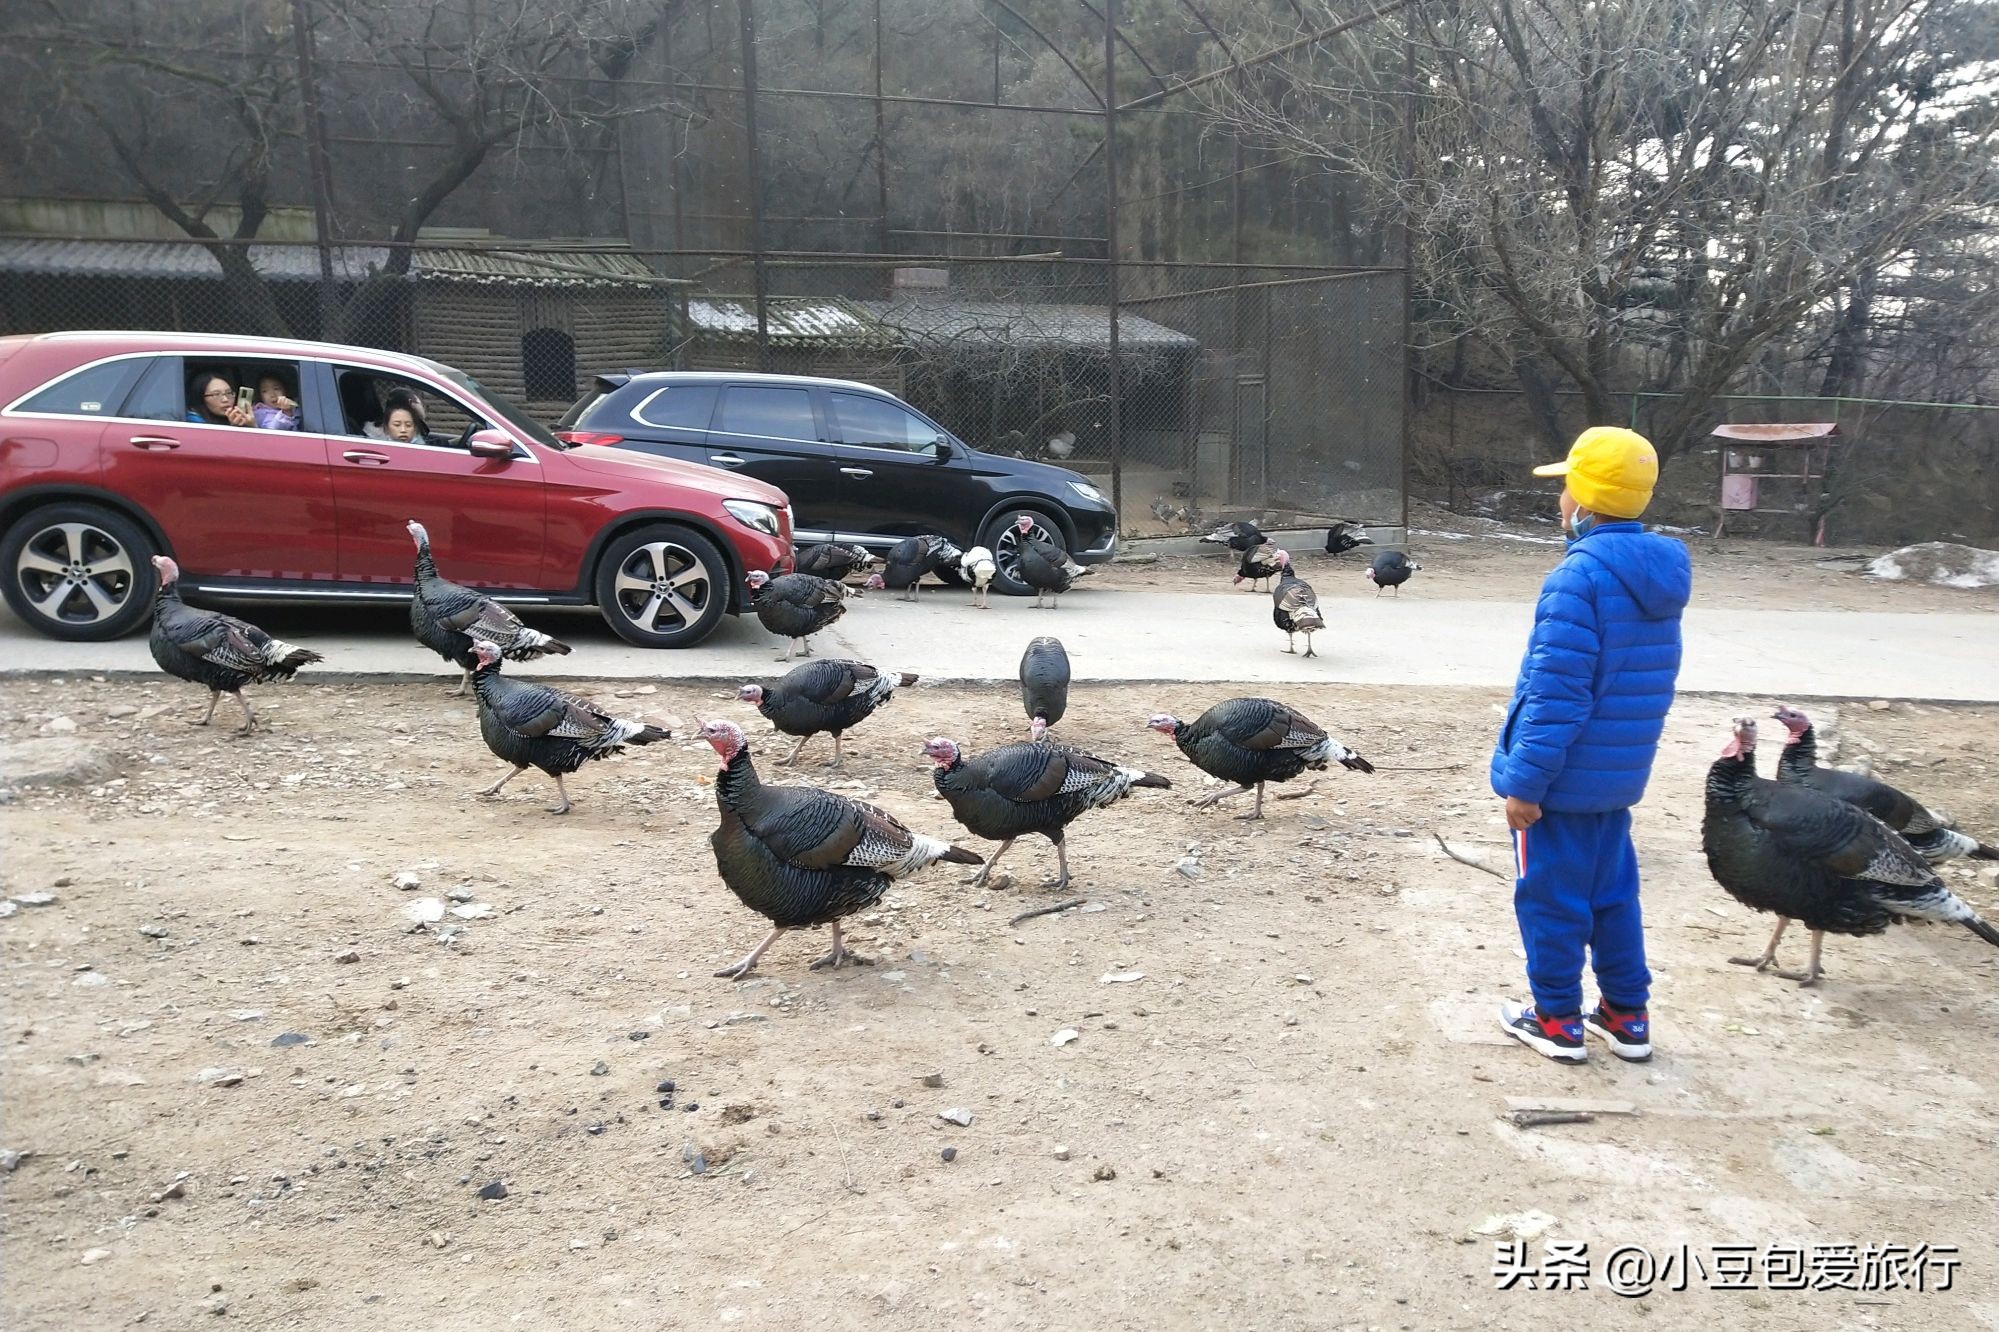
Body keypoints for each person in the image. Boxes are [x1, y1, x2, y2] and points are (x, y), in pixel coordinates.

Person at [1492, 426, 1691, 1065]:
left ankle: (1555, 1020)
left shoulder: (1578, 578)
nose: (1560, 502)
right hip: (1615, 779)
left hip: (1562, 783)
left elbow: (1557, 694)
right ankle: (1626, 1014)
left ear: (1582, 498)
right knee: (1612, 895)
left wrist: (1525, 782)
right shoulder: (1659, 575)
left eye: (1565, 488)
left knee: (1550, 899)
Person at [187, 373, 252, 427]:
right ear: (200, 398)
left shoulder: (232, 418)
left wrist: (251, 425)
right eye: (216, 394)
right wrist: (234, 428)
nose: (225, 399)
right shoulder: (194, 423)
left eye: (229, 393)